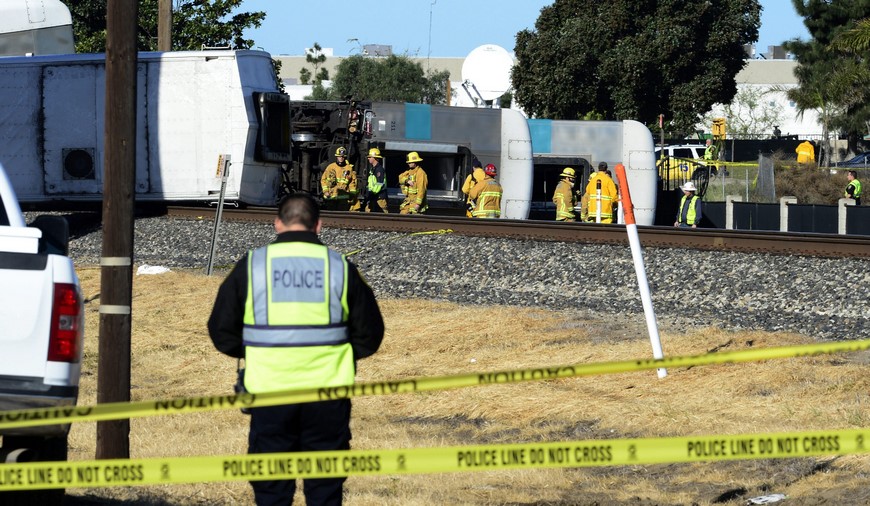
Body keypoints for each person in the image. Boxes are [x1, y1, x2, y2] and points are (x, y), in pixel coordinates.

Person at [207, 193, 384, 506]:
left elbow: (221, 329)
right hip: (327, 394)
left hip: (269, 393)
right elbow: (370, 333)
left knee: (272, 488)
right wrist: (339, 355)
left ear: (277, 223)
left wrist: (254, 351)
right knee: (325, 488)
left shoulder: (253, 266)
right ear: (319, 225)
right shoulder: (339, 267)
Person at [320, 147, 359, 211]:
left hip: (343, 197)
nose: (341, 158)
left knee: (342, 215)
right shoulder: (331, 167)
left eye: (343, 157)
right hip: (331, 196)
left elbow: (352, 182)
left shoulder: (349, 168)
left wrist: (352, 194)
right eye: (339, 157)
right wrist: (325, 191)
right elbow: (323, 180)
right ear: (336, 157)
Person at [362, 147, 388, 213]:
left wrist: (371, 193)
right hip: (373, 196)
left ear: (375, 158)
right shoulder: (373, 169)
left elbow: (379, 184)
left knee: (383, 216)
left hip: (379, 198)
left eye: (370, 157)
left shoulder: (379, 170)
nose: (368, 158)